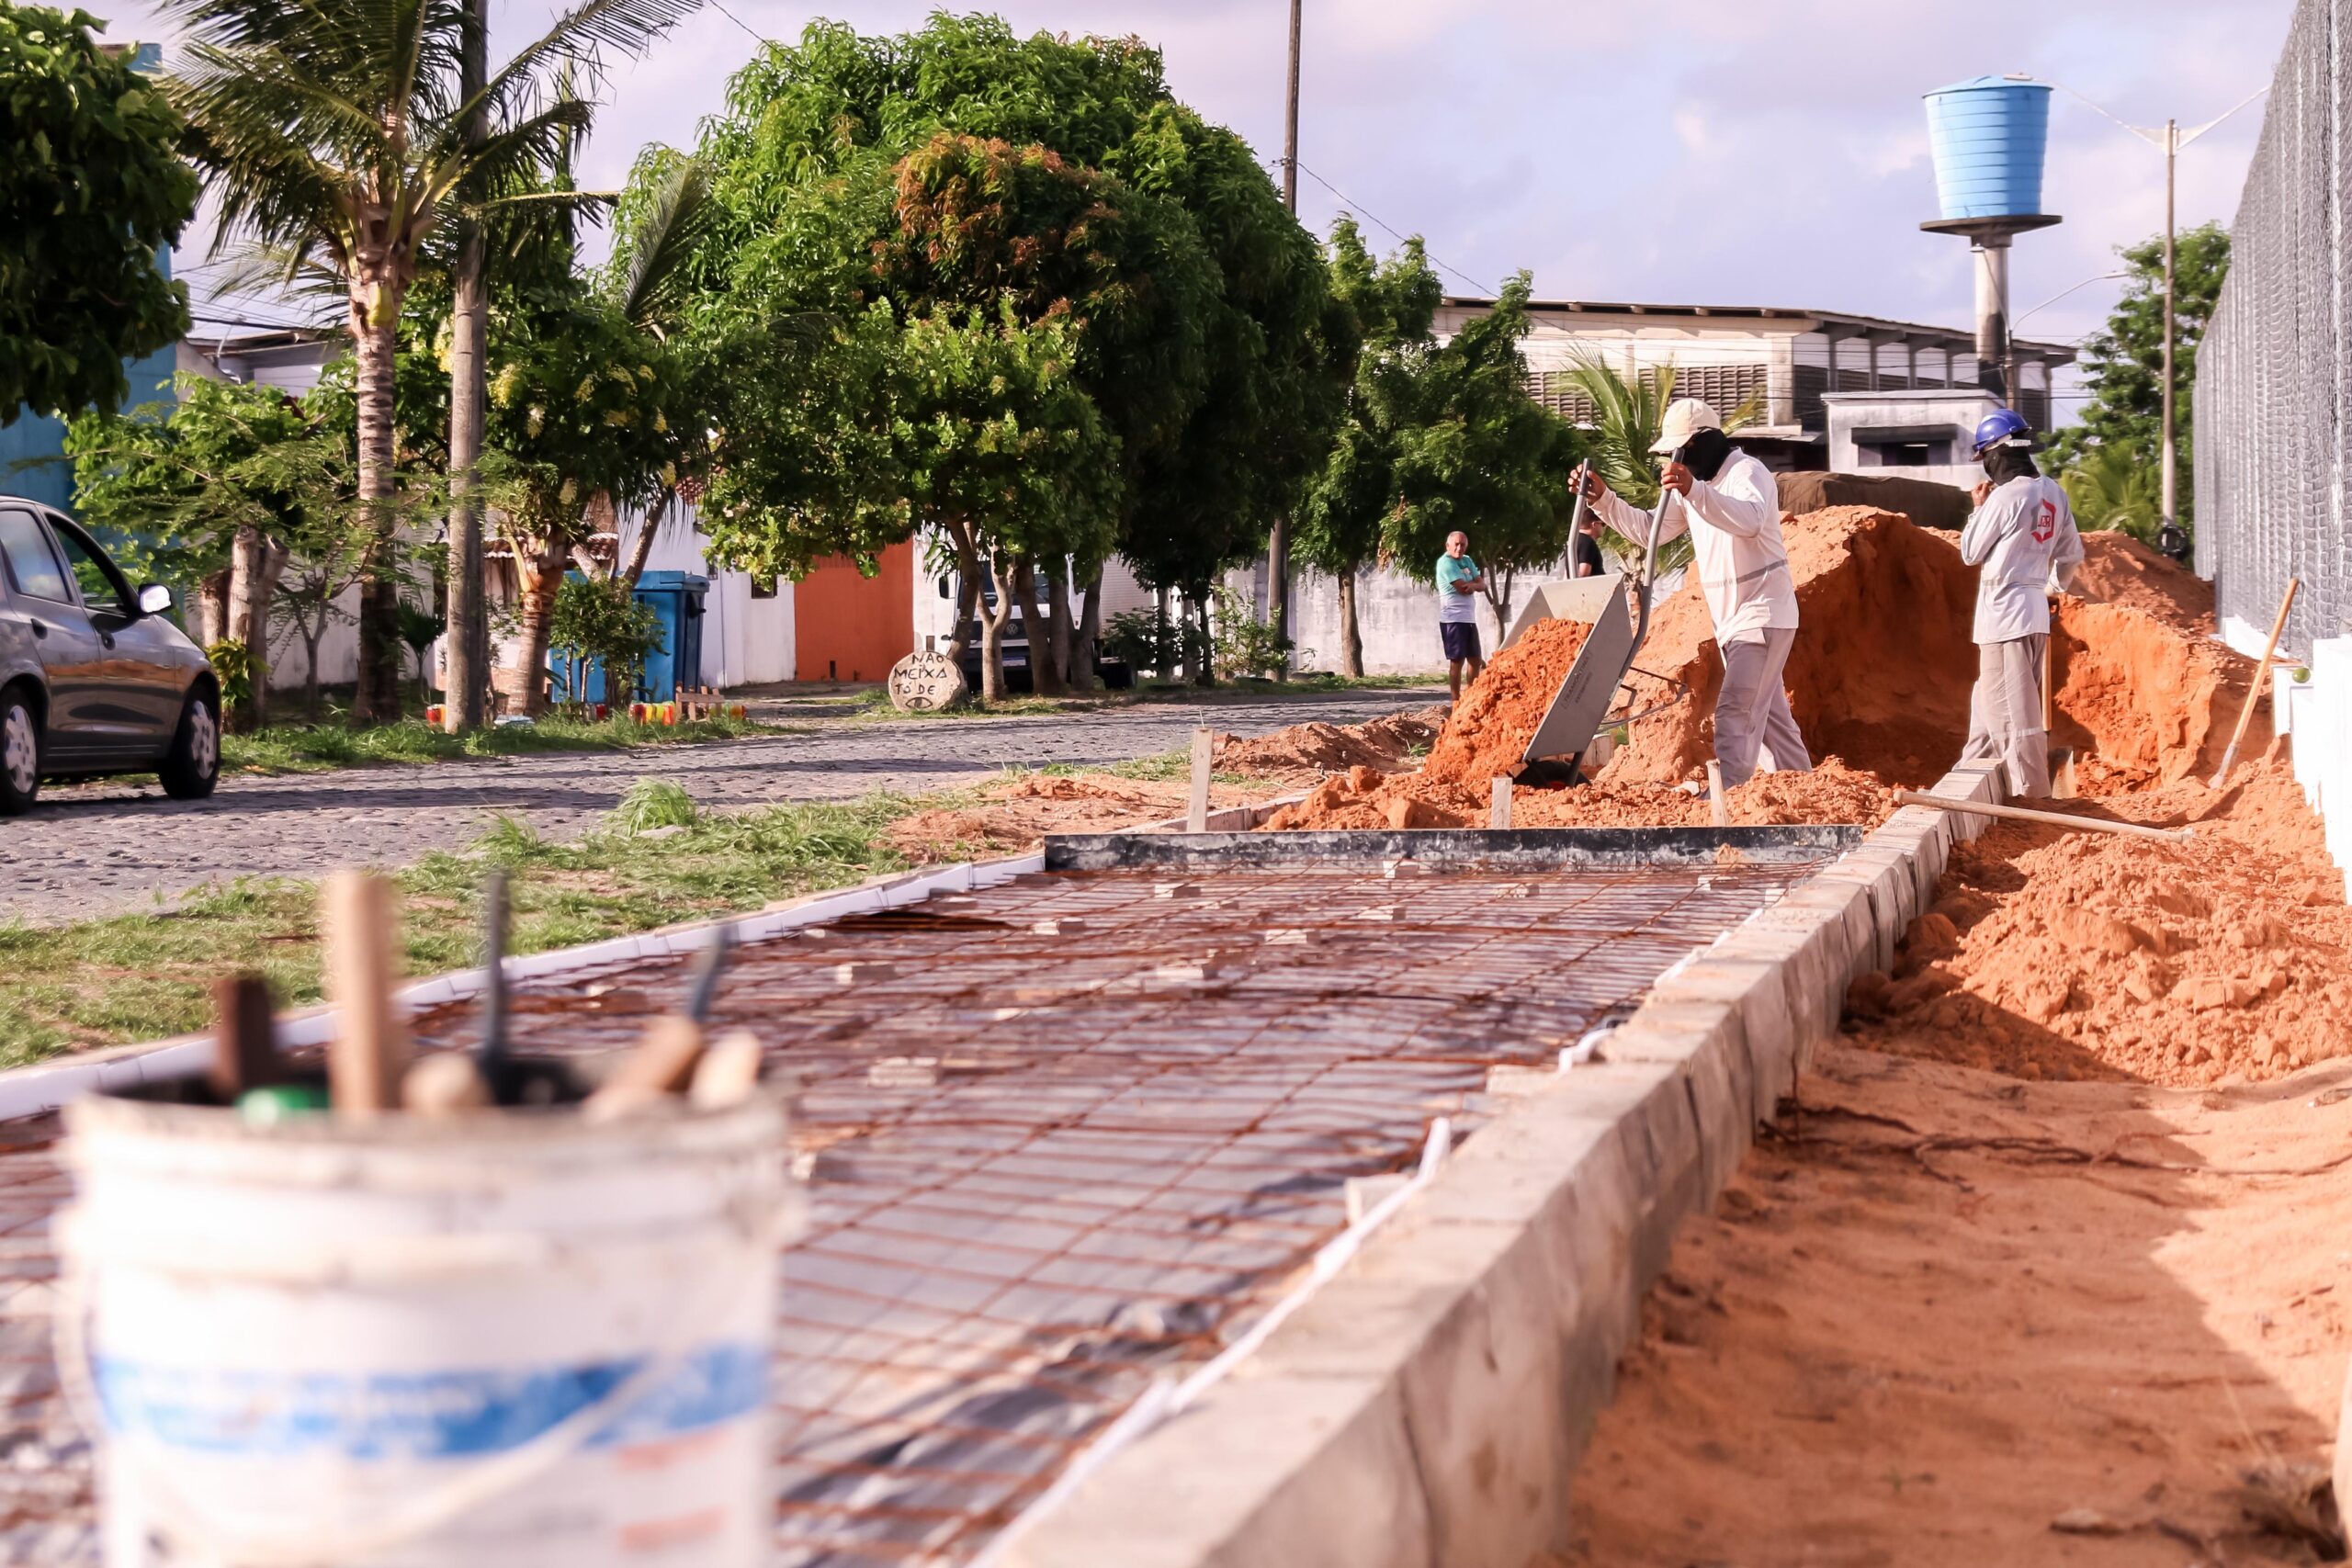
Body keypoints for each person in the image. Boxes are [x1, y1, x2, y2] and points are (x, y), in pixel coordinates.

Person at [1577, 398, 1812, 788]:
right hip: (1734, 622)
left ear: (1702, 441)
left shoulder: (1747, 472)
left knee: (1736, 711)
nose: (1676, 459)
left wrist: (1695, 491)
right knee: (1773, 723)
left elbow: (1751, 520)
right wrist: (1604, 500)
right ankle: (1806, 793)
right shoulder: (1696, 490)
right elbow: (1650, 530)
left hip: (1761, 614)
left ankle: (1729, 803)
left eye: (1680, 450)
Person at [1957, 408, 2083, 797]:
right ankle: (1964, 777)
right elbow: (2071, 555)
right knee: (1988, 707)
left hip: (2002, 617)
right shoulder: (2054, 493)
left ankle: (2031, 797)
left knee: (2013, 717)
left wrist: (1977, 510)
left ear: (1996, 452)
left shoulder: (2005, 497)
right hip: (2032, 612)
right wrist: (2050, 588)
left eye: (1985, 458)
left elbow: (1970, 552)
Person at [1435, 530, 1488, 700]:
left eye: (1463, 544)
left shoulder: (1467, 560)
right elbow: (1463, 588)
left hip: (1468, 619)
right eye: (1456, 544)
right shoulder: (1446, 563)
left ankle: (1471, 697)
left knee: (1475, 659)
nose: (1459, 548)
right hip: (1453, 619)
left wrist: (1474, 585)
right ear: (1448, 545)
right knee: (1457, 661)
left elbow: (1483, 585)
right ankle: (1456, 699)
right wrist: (1474, 585)